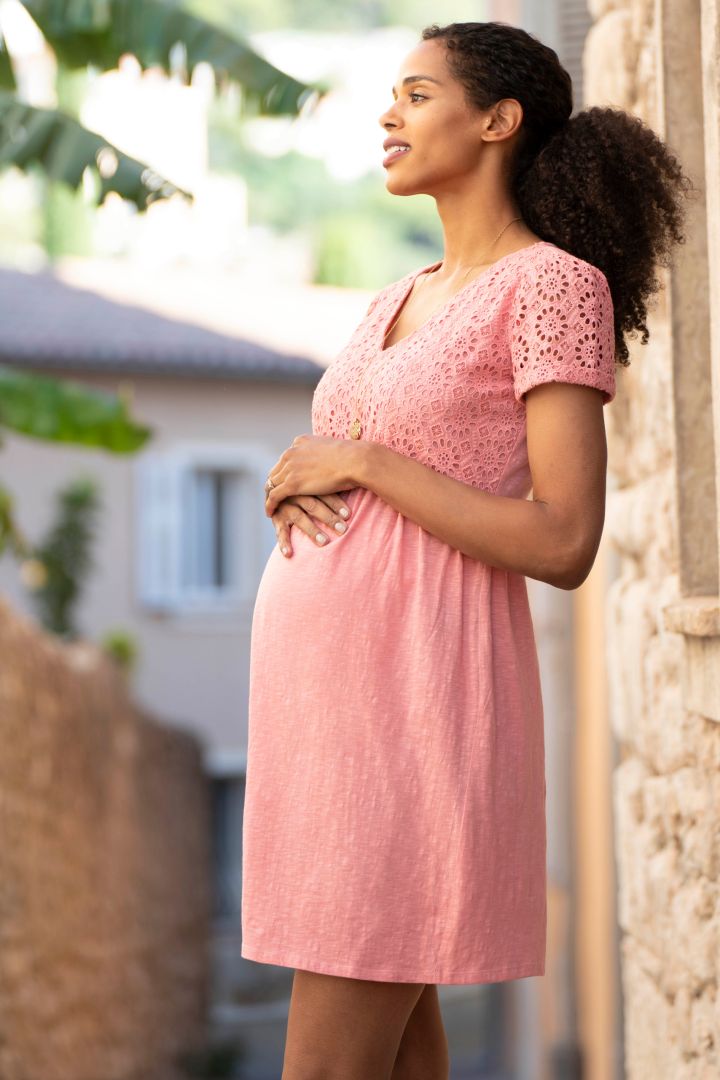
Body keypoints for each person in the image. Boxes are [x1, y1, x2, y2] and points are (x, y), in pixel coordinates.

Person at [241, 20, 692, 1080]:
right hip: (326, 713)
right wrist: (293, 485)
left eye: (416, 94)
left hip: (418, 699)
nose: (387, 116)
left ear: (497, 120)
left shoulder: (553, 287)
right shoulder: (391, 299)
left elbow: (566, 536)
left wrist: (363, 464)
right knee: (400, 1056)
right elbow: (347, 464)